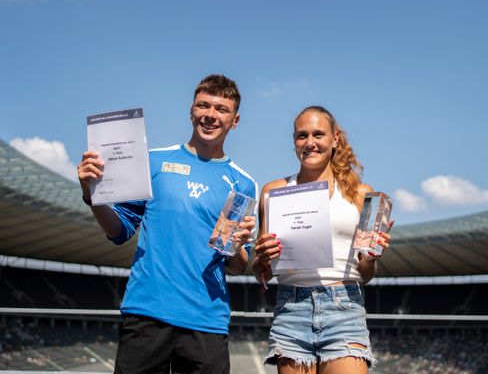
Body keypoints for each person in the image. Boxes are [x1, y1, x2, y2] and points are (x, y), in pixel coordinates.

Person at [77, 74, 257, 374]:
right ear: (191, 110)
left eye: (221, 110)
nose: (210, 115)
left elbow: (237, 267)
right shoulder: (153, 162)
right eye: (203, 105)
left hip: (206, 321)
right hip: (147, 314)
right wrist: (91, 194)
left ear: (234, 120)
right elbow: (119, 231)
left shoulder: (243, 183)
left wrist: (237, 248)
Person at [252, 106, 392, 373]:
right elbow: (262, 273)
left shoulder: (362, 194)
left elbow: (367, 273)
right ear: (294, 140)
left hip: (344, 306)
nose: (310, 143)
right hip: (292, 308)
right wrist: (262, 258)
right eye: (302, 135)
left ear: (335, 139)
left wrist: (372, 258)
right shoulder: (273, 191)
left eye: (318, 134)